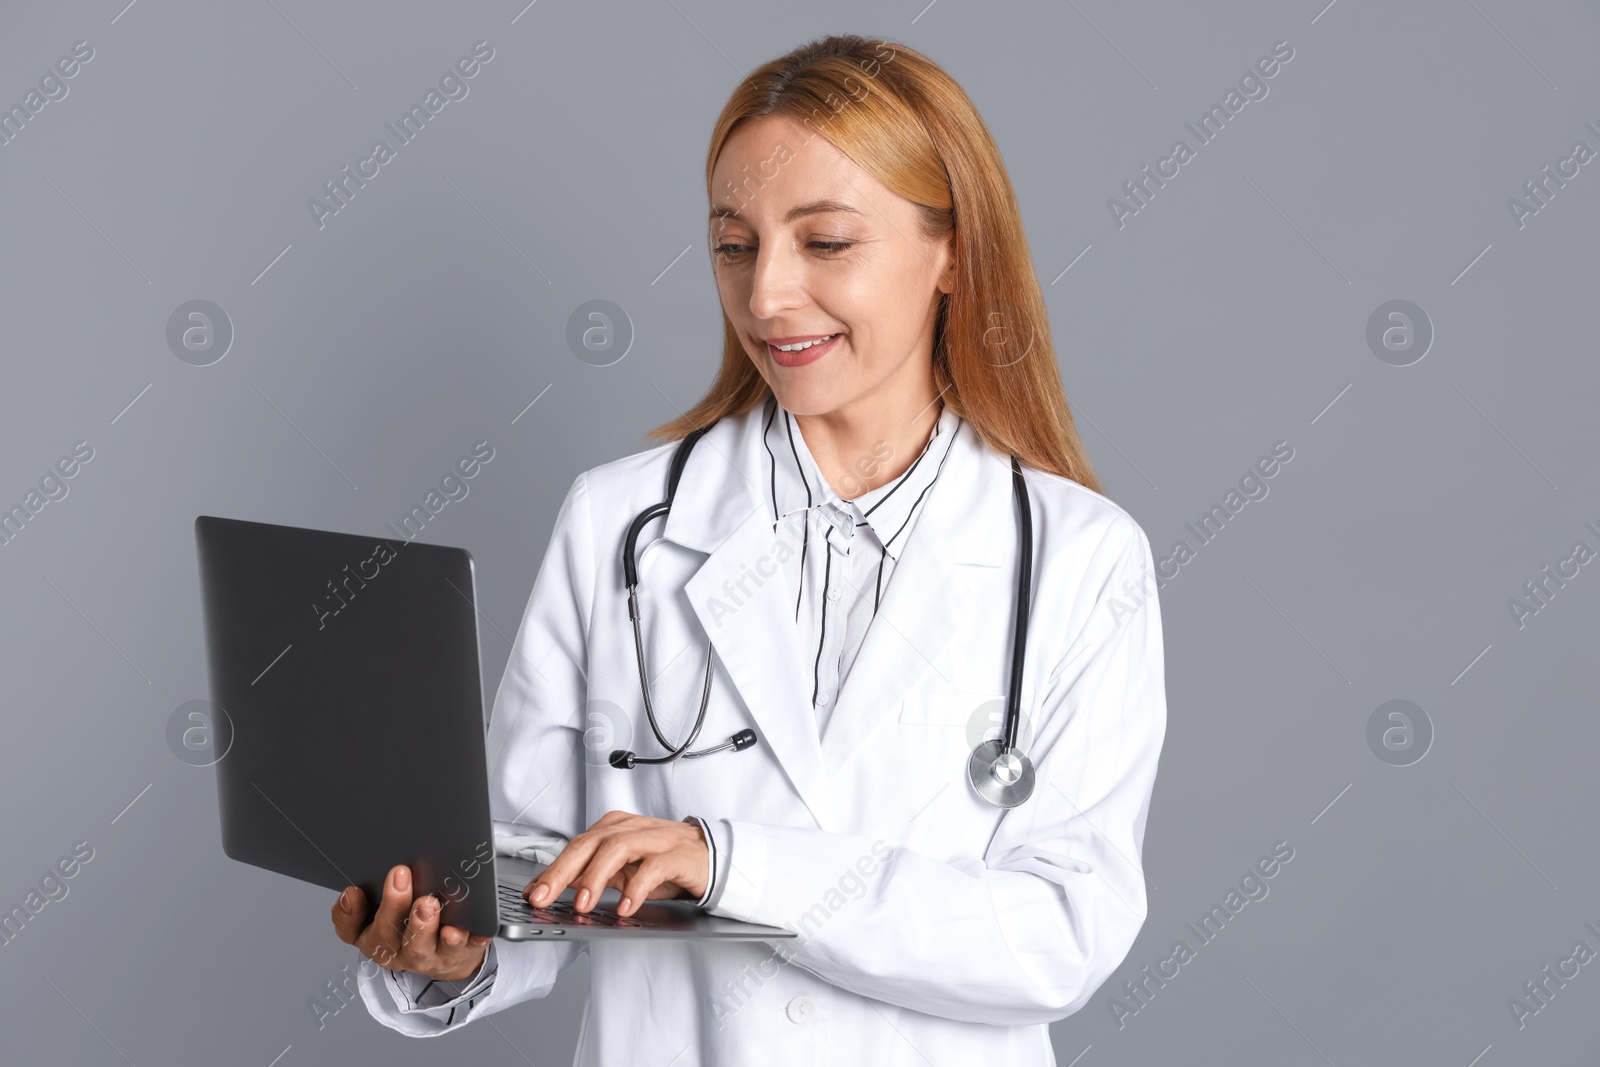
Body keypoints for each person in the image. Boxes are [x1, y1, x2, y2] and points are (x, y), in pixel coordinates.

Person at [330, 32, 1166, 1065]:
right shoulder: (620, 524)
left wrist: (728, 862)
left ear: (953, 251)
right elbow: (532, 874)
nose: (766, 294)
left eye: (824, 242)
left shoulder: (1079, 560)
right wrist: (446, 946)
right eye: (734, 244)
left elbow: (1060, 935)